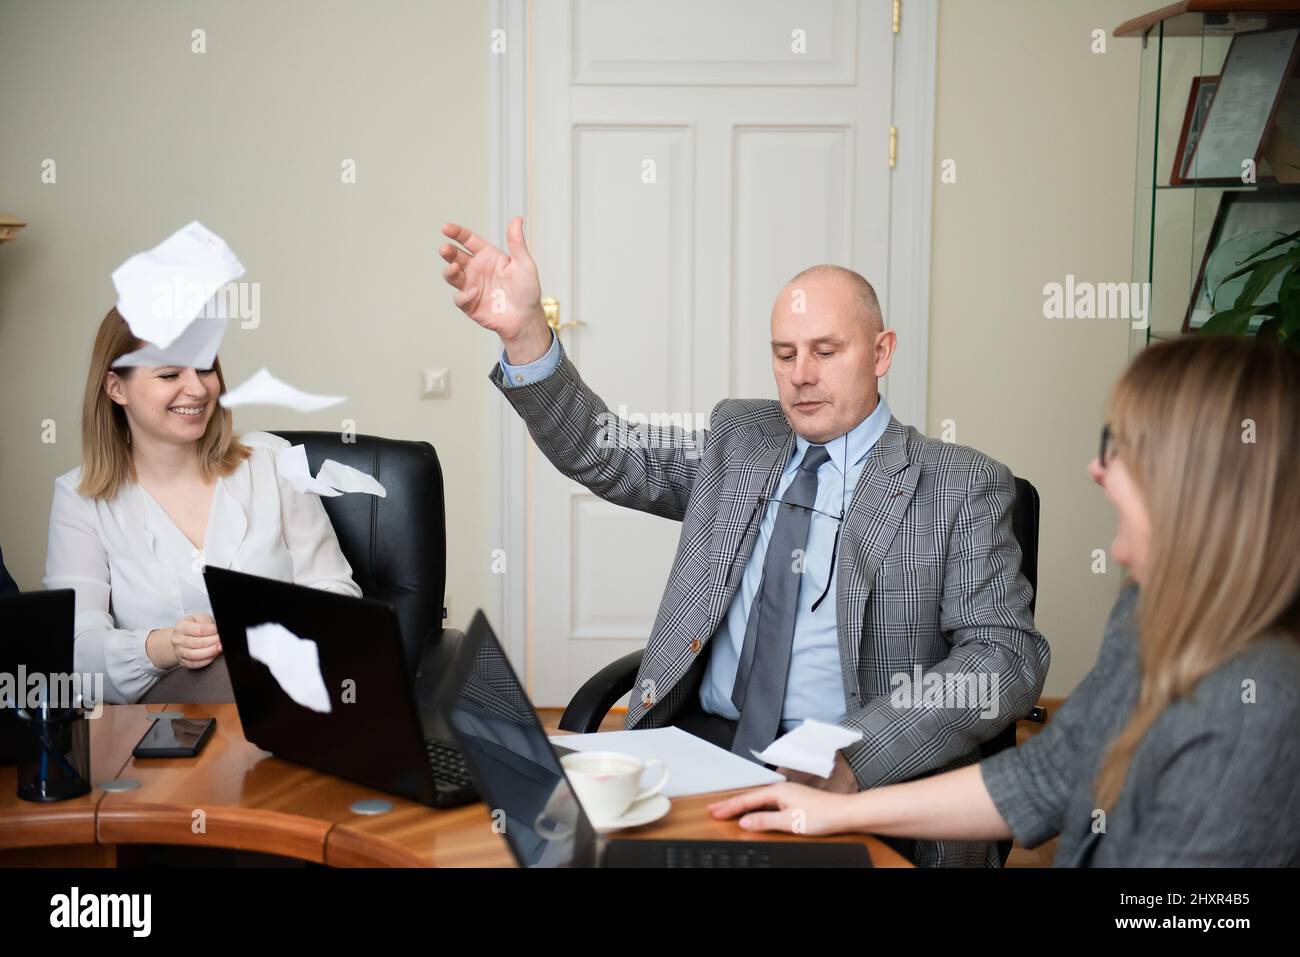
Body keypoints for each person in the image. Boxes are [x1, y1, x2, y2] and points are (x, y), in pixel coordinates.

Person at [440, 217, 1049, 867]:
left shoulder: (960, 484)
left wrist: (857, 754)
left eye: (826, 350)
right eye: (785, 354)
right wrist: (527, 334)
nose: (801, 375)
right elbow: (603, 451)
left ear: (881, 353)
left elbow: (1004, 656)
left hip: (858, 772)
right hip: (702, 747)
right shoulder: (740, 438)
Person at [710, 335, 1300, 867]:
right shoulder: (1145, 615)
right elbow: (1048, 774)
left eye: (1123, 448)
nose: (1096, 469)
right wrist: (837, 814)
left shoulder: (1257, 707)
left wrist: (855, 764)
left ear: (1201, 488)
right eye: (784, 354)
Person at [44, 308, 361, 705]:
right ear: (116, 388)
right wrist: (165, 646)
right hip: (163, 723)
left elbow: (336, 592)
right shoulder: (80, 497)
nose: (197, 390)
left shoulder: (272, 461)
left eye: (205, 368)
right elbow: (75, 652)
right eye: (169, 374)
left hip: (289, 696)